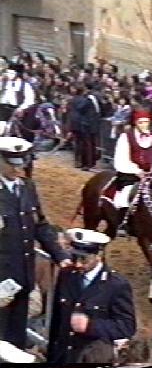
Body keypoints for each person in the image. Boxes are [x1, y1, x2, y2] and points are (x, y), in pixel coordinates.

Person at [0, 137, 71, 349]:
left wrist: (60, 255)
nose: (18, 168)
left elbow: (39, 225)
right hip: (0, 280)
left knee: (16, 337)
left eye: (22, 162)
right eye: (12, 163)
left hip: (23, 276)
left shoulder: (27, 187)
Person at [47, 228, 136, 363]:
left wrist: (91, 326)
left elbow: (126, 327)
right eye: (74, 257)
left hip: (92, 357)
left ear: (98, 255)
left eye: (84, 259)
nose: (78, 263)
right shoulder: (66, 275)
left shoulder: (116, 285)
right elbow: (56, 321)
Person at [113, 108, 152, 217]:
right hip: (131, 175)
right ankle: (123, 222)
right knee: (126, 195)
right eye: (141, 122)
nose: (144, 125)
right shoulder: (126, 137)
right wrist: (137, 171)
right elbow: (121, 159)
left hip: (151, 174)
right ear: (135, 123)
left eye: (146, 122)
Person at [0, 64, 35, 135]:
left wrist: (21, 108)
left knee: (10, 130)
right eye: (8, 72)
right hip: (3, 108)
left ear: (17, 74)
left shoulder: (25, 85)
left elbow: (30, 100)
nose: (9, 75)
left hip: (16, 110)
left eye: (11, 73)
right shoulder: (4, 82)